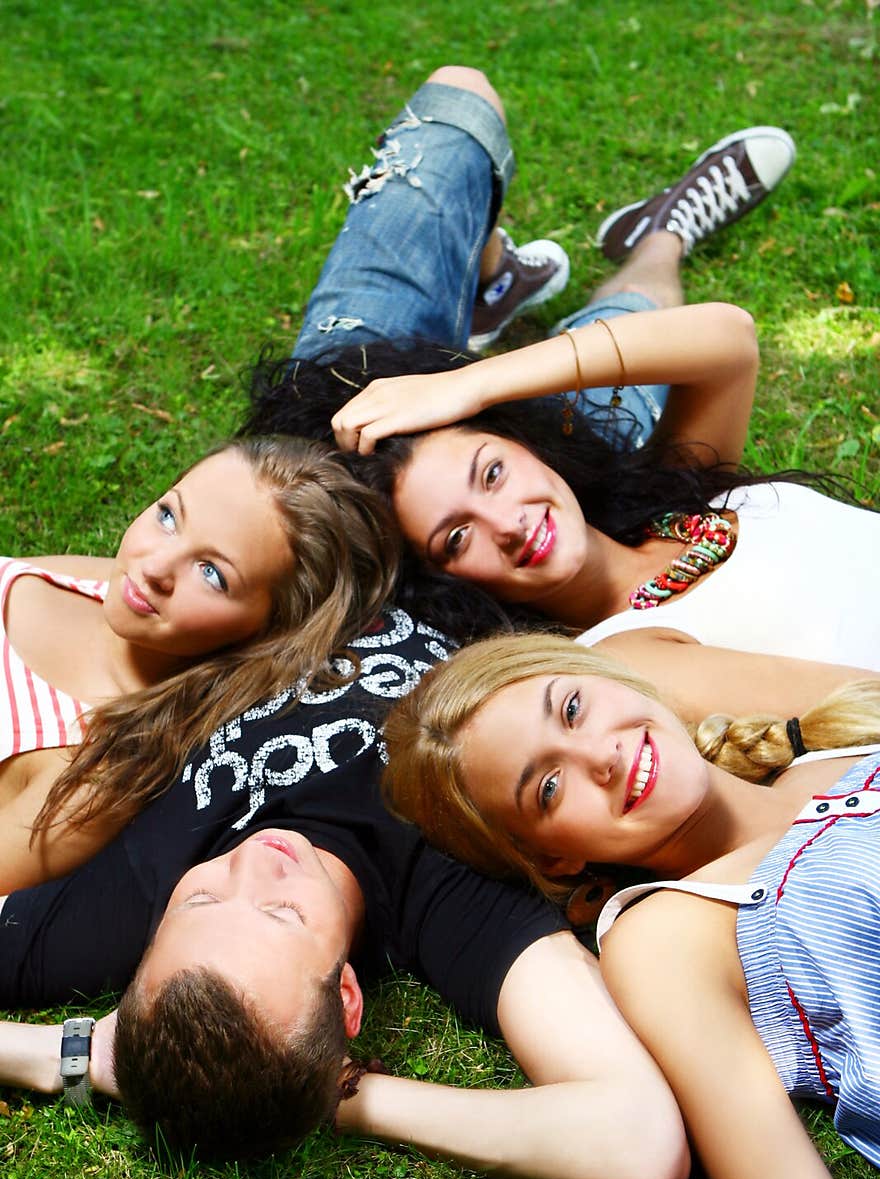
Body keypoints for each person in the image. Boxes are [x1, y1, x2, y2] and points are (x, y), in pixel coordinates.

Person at [0, 603, 688, 1179]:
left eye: (200, 899)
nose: (253, 863)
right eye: (283, 915)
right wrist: (349, 1098)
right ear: (348, 997)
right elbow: (639, 1144)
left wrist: (74, 1053)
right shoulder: (447, 893)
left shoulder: (124, 899)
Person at [240, 67, 879, 721]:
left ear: (523, 441)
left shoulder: (662, 496)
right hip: (406, 443)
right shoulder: (621, 656)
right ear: (443, 584)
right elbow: (728, 340)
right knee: (627, 316)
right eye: (456, 539)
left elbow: (725, 341)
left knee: (459, 104)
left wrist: (465, 385)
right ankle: (659, 239)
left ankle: (563, 261)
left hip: (364, 383)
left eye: (491, 474)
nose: (509, 522)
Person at [378, 631, 880, 1179]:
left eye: (574, 707)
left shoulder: (852, 736)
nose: (600, 756)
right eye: (550, 787)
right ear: (553, 861)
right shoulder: (669, 936)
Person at [0, 435, 397, 893]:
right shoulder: (97, 582)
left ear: (267, 634)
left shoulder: (96, 773)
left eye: (212, 573)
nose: (155, 565)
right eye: (169, 516)